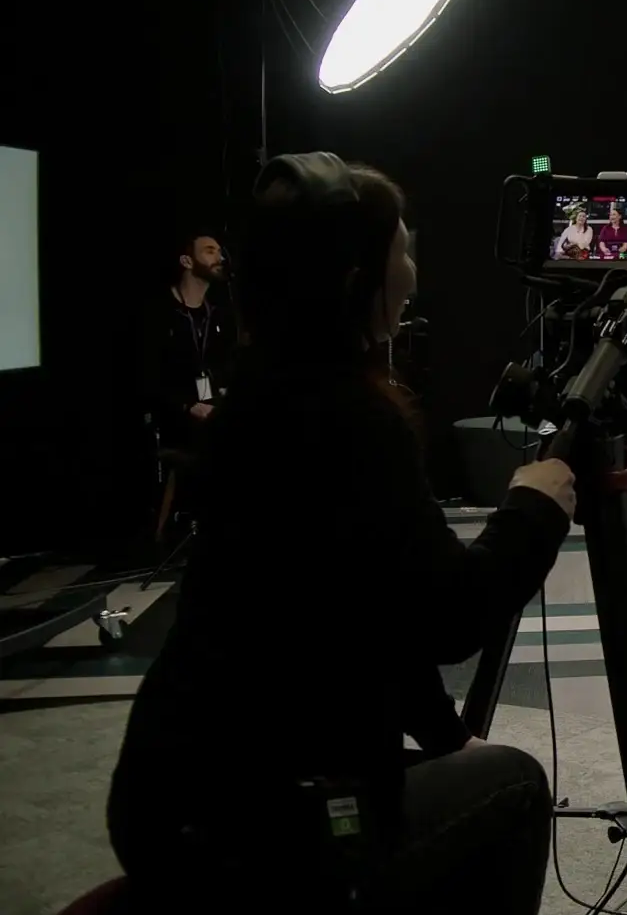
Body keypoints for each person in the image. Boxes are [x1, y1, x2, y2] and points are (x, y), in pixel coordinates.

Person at [107, 154, 578, 914]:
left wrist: (447, 736)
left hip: (165, 801)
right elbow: (450, 617)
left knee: (460, 770)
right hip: (255, 828)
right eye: (404, 251)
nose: (414, 273)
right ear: (356, 278)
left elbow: (362, 607)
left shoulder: (256, 400)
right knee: (516, 784)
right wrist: (536, 507)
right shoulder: (350, 420)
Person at [141, 234, 234, 450]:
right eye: (209, 251)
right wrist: (185, 406)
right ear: (187, 261)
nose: (220, 258)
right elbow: (145, 375)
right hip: (169, 430)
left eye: (220, 252)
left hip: (208, 430)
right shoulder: (159, 313)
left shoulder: (217, 316)